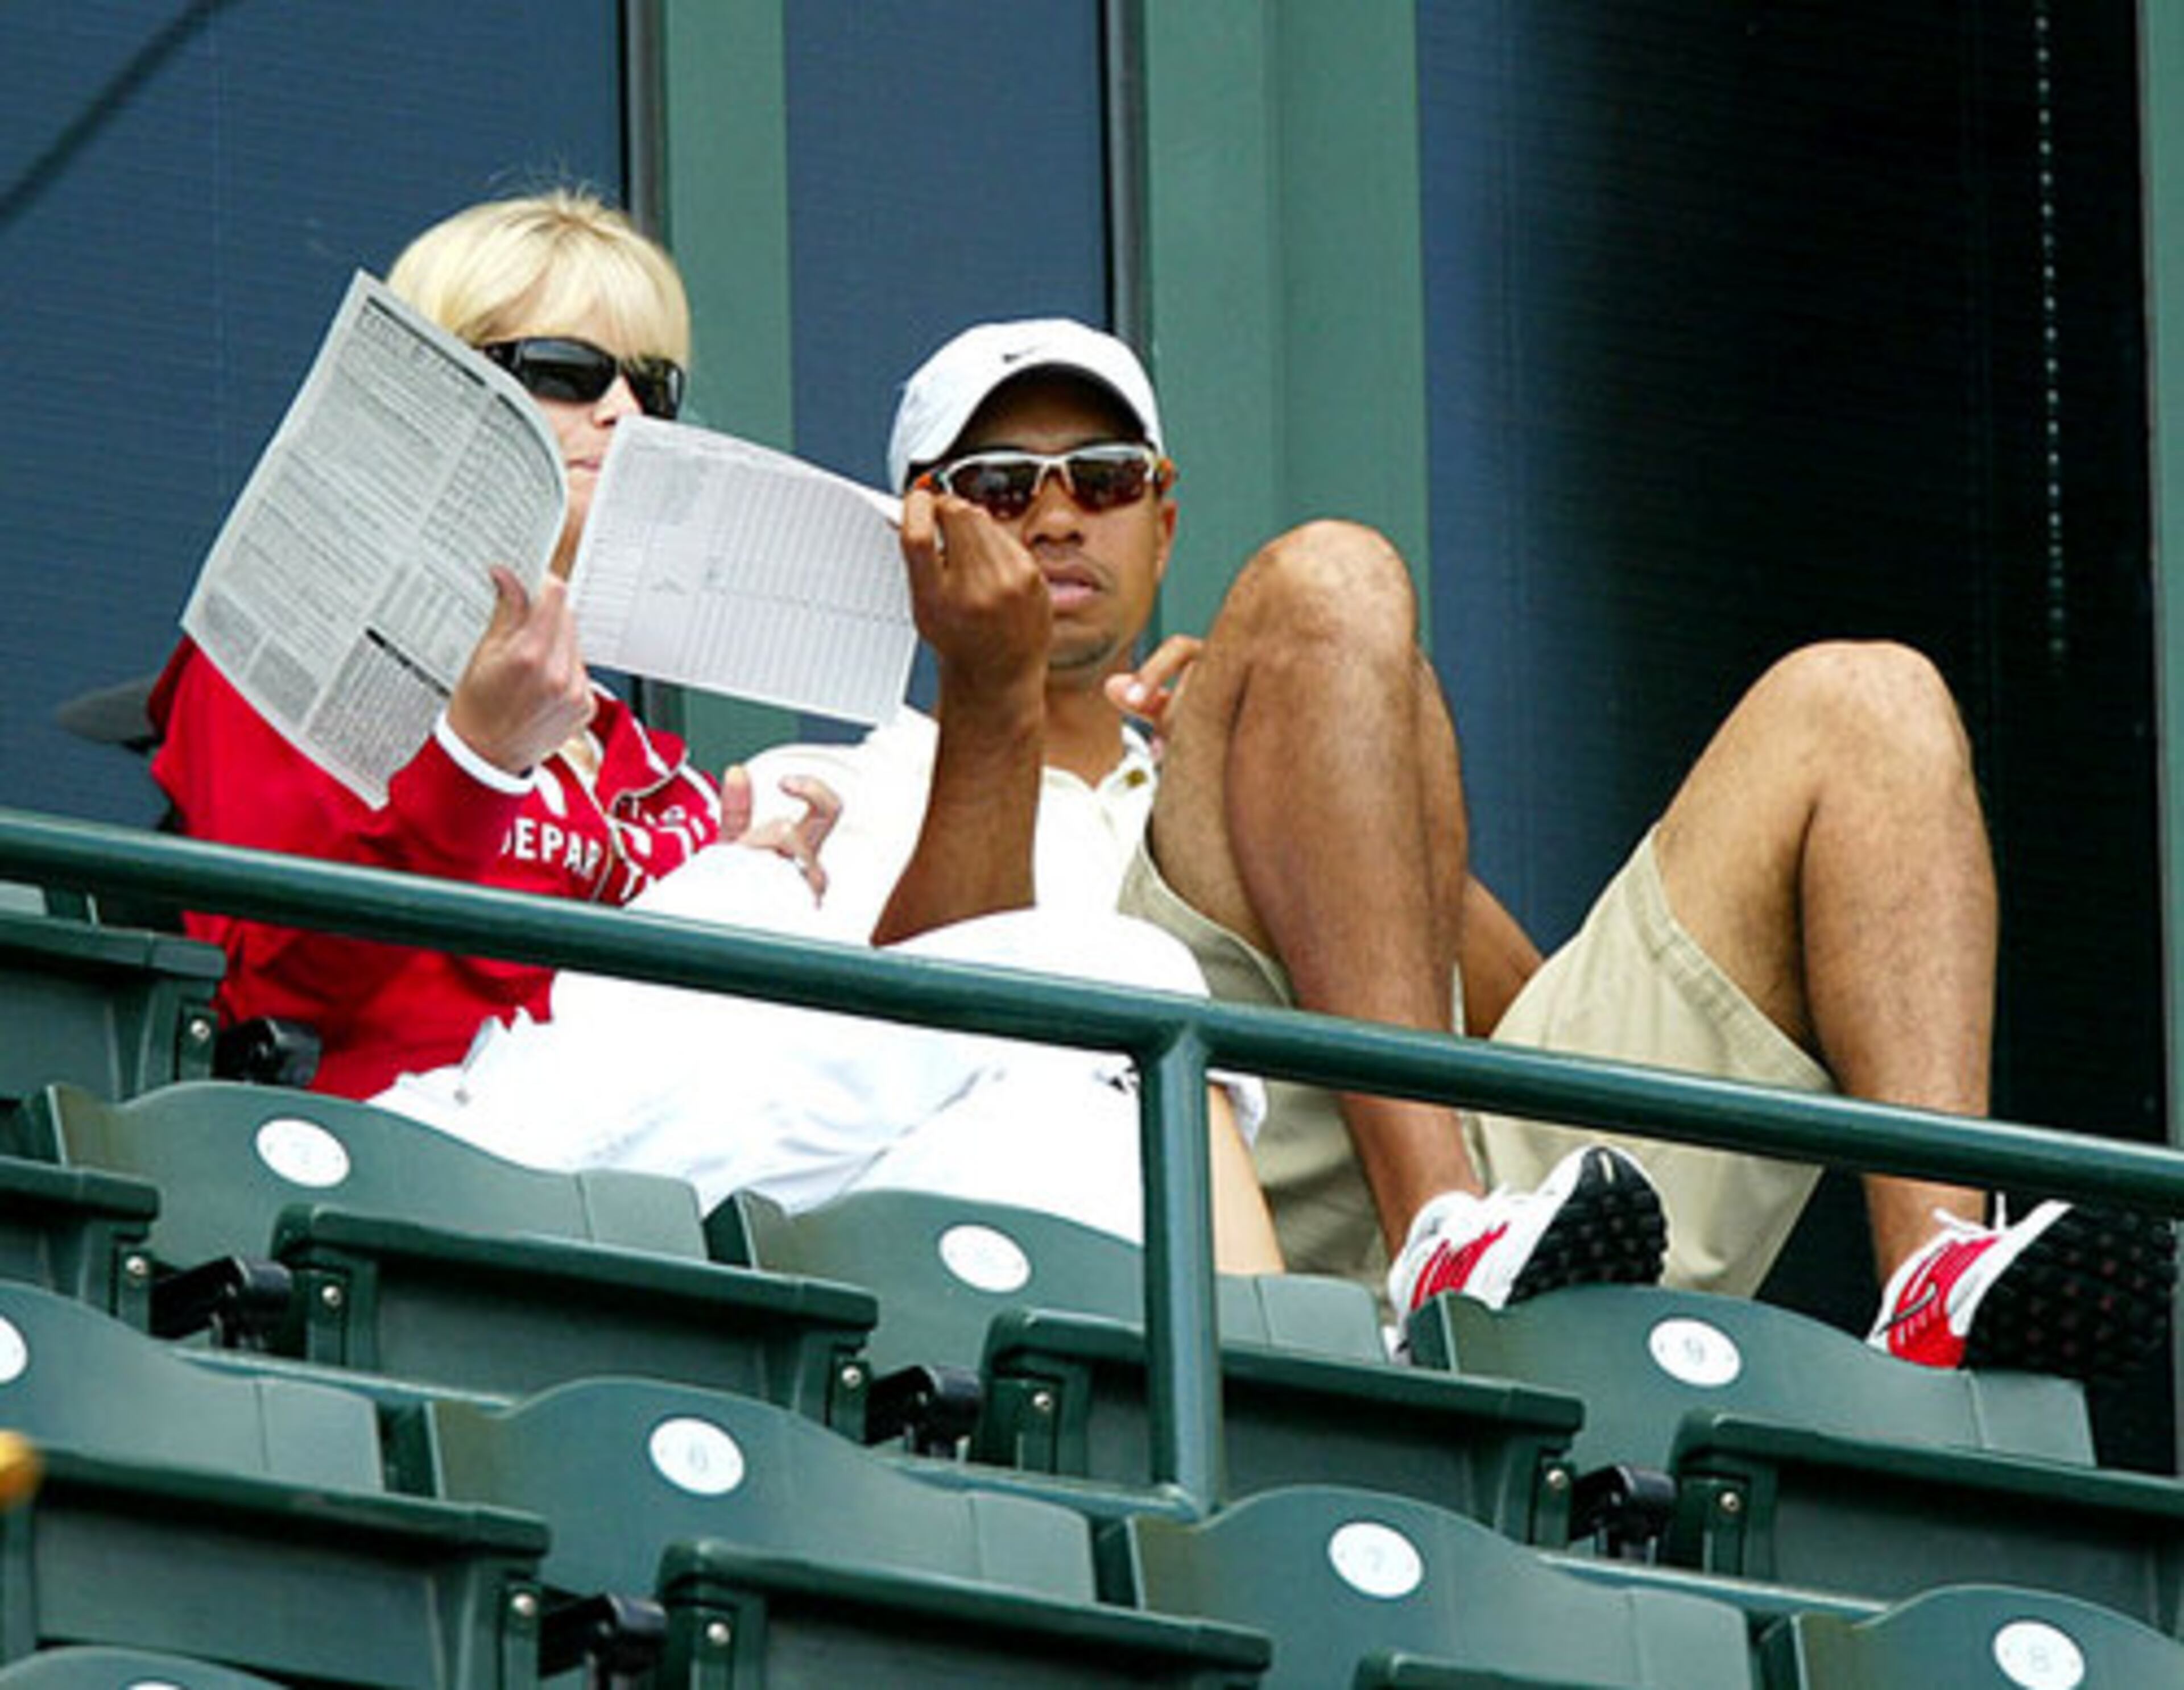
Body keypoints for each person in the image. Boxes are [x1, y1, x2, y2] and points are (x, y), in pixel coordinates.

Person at [737, 316, 2171, 1378]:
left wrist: (1276, 789)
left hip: (1513, 1204)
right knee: (1328, 578)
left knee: (1873, 699)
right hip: (1201, 1220)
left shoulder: (1236, 720)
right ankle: (1444, 1242)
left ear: (1163, 518)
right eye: (998, 484)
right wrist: (989, 693)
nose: (1055, 512)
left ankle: (1934, 1276)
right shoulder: (835, 784)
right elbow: (905, 1067)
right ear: (913, 530)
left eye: (1102, 475)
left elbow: (1515, 1013)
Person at [148, 189, 832, 1100]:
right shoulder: (286, 646)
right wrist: (474, 762)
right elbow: (268, 997)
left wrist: (737, 884)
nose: (624, 408)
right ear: (438, 390)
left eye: (652, 382)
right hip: (412, 1143)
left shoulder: (636, 753)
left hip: (621, 1174)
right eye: (567, 370)